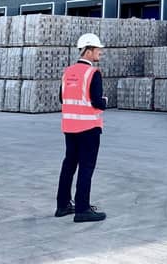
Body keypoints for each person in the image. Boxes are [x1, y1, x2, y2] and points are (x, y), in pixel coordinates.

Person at [55, 33, 107, 223]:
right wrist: (105, 102)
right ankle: (83, 208)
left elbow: (62, 98)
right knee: (86, 167)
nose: (100, 52)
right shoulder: (93, 73)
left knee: (69, 164)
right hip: (89, 128)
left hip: (69, 127)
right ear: (88, 50)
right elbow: (96, 101)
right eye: (98, 49)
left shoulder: (68, 72)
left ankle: (62, 205)